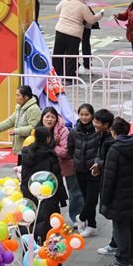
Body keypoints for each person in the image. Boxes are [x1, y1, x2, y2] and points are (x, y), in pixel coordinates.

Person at [100, 117, 133, 266]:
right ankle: (132, 256)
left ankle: (122, 260)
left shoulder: (115, 149)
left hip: (118, 196)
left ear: (113, 132)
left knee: (121, 228)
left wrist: (104, 200)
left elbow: (109, 177)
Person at [20, 126, 68, 245]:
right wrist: (62, 199)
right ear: (48, 139)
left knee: (30, 221)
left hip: (29, 192)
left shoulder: (27, 153)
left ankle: (29, 255)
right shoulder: (50, 156)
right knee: (48, 226)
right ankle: (51, 255)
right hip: (48, 195)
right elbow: (57, 178)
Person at [41, 107, 83, 230]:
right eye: (47, 116)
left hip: (67, 164)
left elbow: (64, 151)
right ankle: (49, 217)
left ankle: (77, 217)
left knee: (74, 192)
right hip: (48, 166)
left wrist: (49, 149)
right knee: (47, 192)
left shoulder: (63, 131)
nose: (49, 119)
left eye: (52, 117)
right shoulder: (38, 129)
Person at [68, 103, 103, 237]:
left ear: (92, 115)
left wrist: (96, 164)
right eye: (81, 114)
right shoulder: (74, 131)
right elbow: (70, 148)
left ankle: (81, 218)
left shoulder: (97, 132)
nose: (84, 117)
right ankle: (92, 225)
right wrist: (77, 161)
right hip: (80, 170)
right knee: (86, 198)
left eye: (87, 114)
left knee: (92, 199)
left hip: (93, 171)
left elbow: (100, 150)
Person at [53, 0, 103, 78]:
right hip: (73, 34)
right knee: (71, 55)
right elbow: (91, 19)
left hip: (60, 30)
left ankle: (55, 75)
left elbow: (57, 9)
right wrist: (100, 14)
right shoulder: (83, 6)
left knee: (58, 53)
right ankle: (68, 77)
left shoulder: (66, 0)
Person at [0, 85, 41, 160]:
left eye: (18, 96)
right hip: (22, 148)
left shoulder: (34, 109)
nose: (16, 98)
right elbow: (10, 121)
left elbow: (33, 128)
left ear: (26, 97)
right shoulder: (19, 107)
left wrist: (17, 131)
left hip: (30, 148)